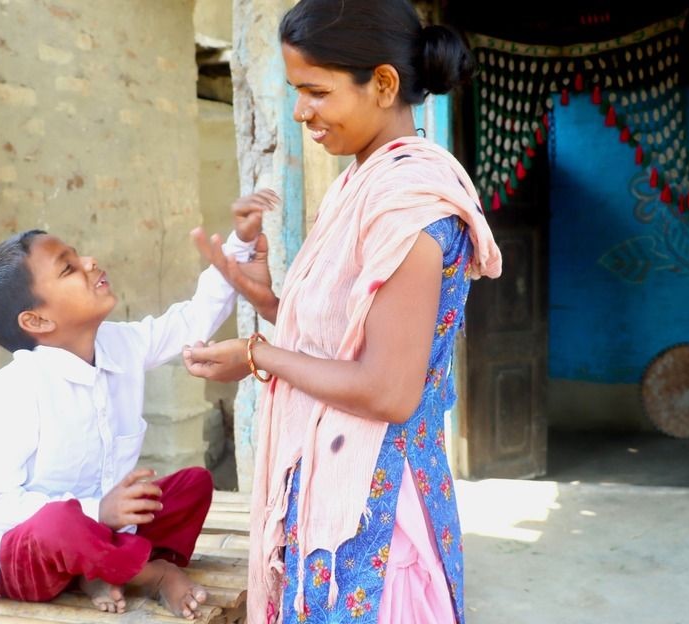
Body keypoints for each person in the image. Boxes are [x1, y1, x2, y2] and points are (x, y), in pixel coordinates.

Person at [182, 1, 503, 622]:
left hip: (378, 518)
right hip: (335, 489)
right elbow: (350, 339)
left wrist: (256, 355)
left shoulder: (408, 205)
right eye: (297, 91)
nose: (302, 110)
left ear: (382, 84)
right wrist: (268, 298)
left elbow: (386, 390)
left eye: (316, 91)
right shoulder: (364, 183)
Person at [0, 192, 274, 619]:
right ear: (37, 321)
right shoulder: (16, 389)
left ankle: (102, 569)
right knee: (60, 523)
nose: (90, 262)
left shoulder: (120, 345)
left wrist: (237, 246)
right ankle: (152, 574)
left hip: (103, 533)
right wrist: (97, 511)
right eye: (68, 267)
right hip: (26, 558)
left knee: (193, 485)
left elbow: (191, 320)